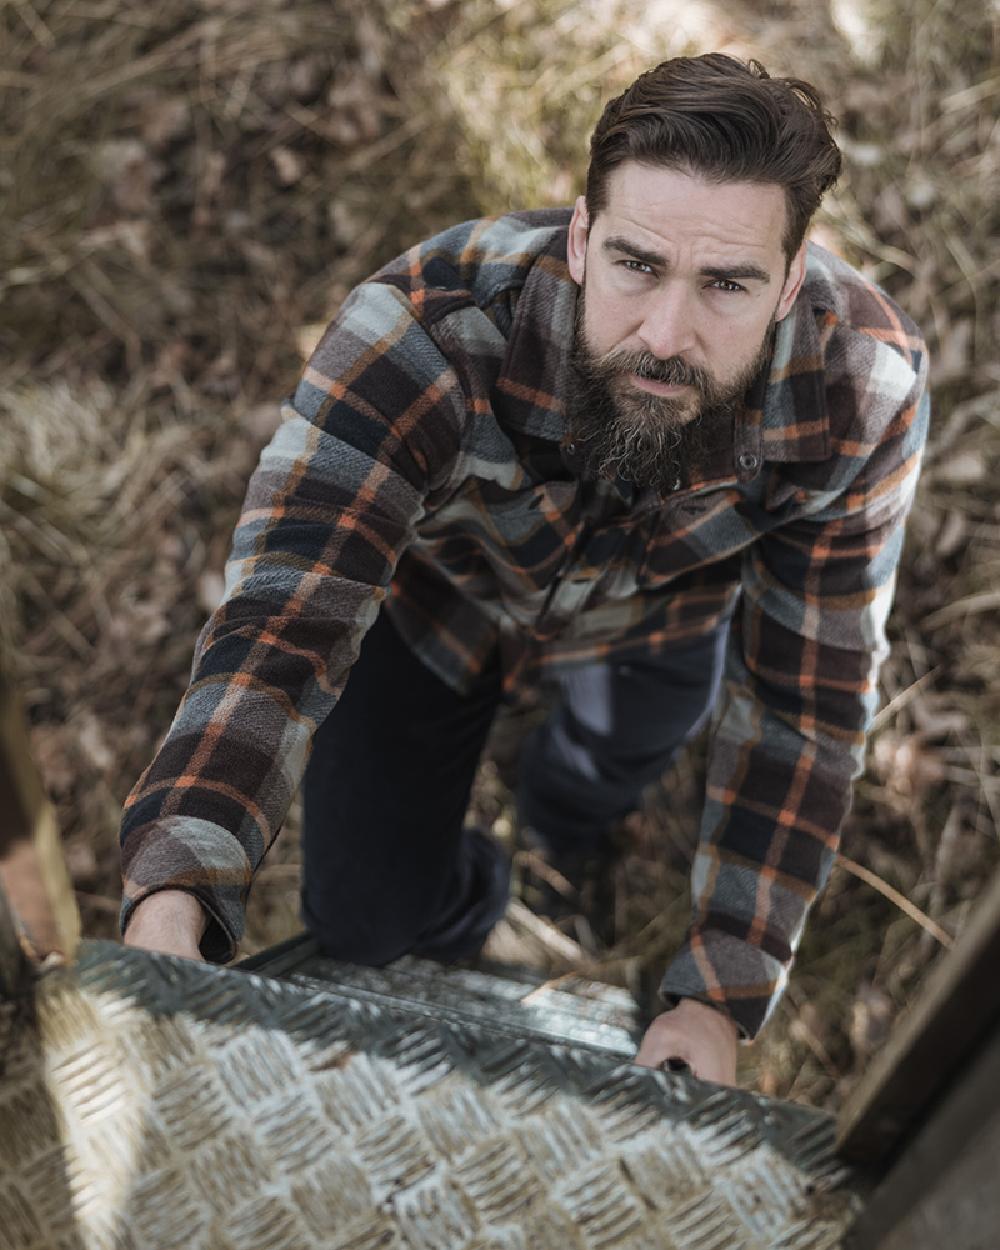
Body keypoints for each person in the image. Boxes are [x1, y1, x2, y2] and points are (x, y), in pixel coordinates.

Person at [120, 53, 929, 1085]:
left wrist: (718, 993)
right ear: (582, 237)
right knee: (365, 917)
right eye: (637, 263)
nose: (667, 336)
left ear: (789, 276)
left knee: (593, 778)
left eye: (727, 283)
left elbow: (804, 705)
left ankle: (557, 848)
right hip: (437, 608)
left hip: (658, 623)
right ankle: (480, 892)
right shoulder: (423, 330)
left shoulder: (861, 386)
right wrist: (174, 891)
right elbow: (283, 622)